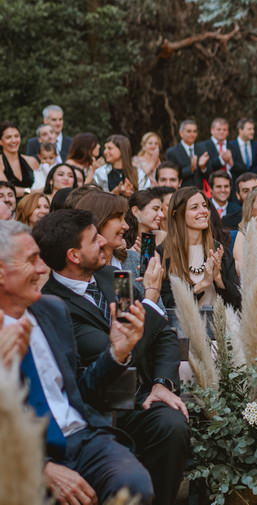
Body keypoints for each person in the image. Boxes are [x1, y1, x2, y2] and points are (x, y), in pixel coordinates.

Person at [34, 210, 189, 505]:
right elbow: (119, 348)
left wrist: (162, 384)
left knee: (172, 424)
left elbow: (162, 335)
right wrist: (152, 300)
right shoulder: (57, 306)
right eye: (94, 239)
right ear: (74, 256)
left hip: (141, 396)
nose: (105, 241)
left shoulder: (113, 277)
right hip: (101, 406)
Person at [0, 220, 153, 505]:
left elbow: (82, 390)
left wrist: (117, 352)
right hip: (20, 454)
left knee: (132, 485)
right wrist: (40, 467)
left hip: (81, 437)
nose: (43, 269)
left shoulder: (51, 310)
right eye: (32, 261)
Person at [159, 187, 242, 311]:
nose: (203, 211)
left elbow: (237, 301)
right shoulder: (164, 252)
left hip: (219, 327)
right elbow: (165, 303)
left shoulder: (217, 249)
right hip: (182, 328)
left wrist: (218, 278)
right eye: (194, 207)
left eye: (204, 205)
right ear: (177, 213)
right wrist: (201, 285)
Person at [164, 120, 209, 188]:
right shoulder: (172, 152)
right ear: (181, 133)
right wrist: (191, 169)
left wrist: (203, 167)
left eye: (194, 131)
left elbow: (210, 174)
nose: (192, 134)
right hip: (182, 192)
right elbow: (172, 175)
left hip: (199, 192)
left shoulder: (202, 149)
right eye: (189, 131)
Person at [0, 122, 39, 198]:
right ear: (1, 142)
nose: (14, 140)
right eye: (8, 137)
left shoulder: (31, 161)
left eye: (16, 136)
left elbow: (42, 184)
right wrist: (31, 191)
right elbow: (6, 190)